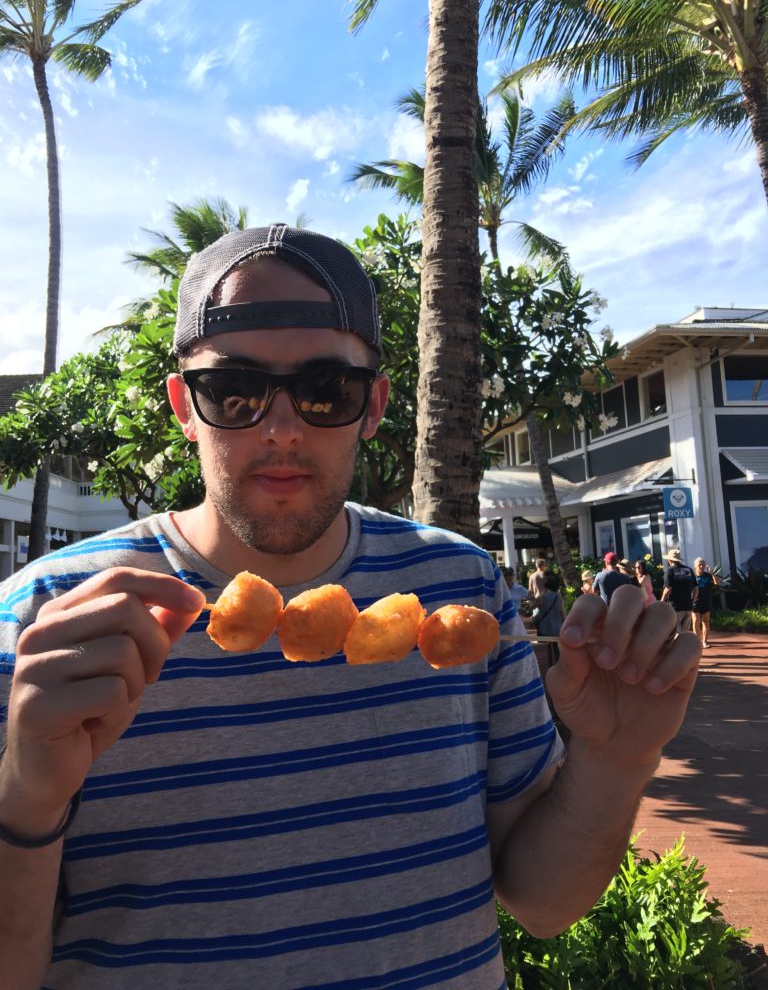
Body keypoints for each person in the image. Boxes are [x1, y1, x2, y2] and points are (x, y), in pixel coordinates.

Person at [0, 225, 702, 990]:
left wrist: (617, 761)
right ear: (182, 406)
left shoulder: (462, 586)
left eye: (324, 390)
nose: (281, 427)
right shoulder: (47, 622)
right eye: (233, 390)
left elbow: (543, 903)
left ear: (372, 407)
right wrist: (27, 798)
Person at [660, 547, 698, 631]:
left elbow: (667, 589)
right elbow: (696, 588)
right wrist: (692, 601)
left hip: (675, 607)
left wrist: (661, 602)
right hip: (688, 606)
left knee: (676, 633)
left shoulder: (669, 571)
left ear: (669, 560)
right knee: (684, 634)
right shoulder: (689, 570)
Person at [692, 557, 720, 647]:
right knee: (696, 621)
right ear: (695, 566)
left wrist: (713, 573)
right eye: (699, 564)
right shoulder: (692, 576)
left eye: (703, 564)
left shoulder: (708, 576)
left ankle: (704, 642)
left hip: (706, 601)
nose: (701, 566)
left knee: (706, 621)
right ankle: (697, 642)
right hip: (695, 601)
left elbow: (717, 583)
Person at [533, 571, 565, 638]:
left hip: (545, 628)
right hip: (558, 628)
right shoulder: (558, 596)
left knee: (544, 647)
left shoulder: (543, 596)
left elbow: (533, 607)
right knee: (556, 648)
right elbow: (562, 613)